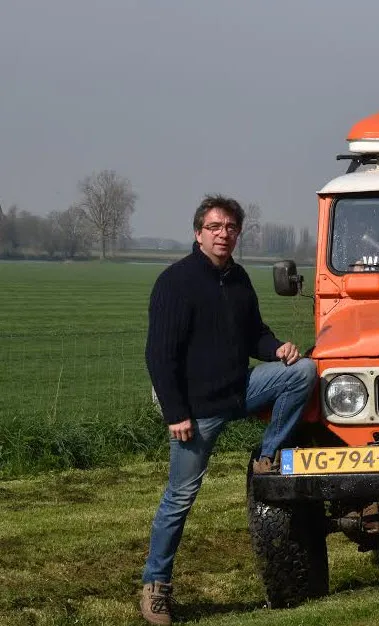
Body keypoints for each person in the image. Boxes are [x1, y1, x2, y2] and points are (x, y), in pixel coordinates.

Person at [139, 195, 317, 625]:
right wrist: (175, 414)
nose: (224, 234)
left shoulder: (238, 279)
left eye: (231, 227)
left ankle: (266, 455)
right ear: (198, 232)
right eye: (215, 227)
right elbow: (159, 357)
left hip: (241, 390)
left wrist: (276, 348)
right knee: (179, 498)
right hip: (196, 412)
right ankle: (155, 587)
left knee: (304, 372)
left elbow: (254, 333)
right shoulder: (175, 282)